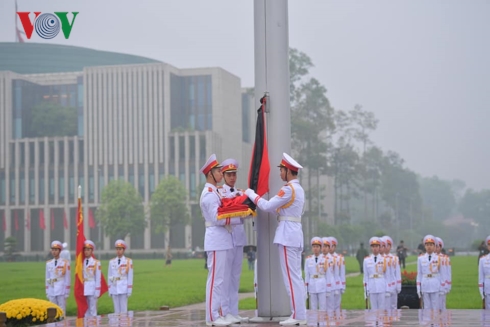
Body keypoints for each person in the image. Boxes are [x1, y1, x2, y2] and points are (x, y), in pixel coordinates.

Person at [245, 153, 307, 326]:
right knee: (296, 277)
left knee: (291, 277)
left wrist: (251, 193)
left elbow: (266, 206)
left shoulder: (288, 189)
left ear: (288, 171)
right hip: (294, 233)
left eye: (282, 170)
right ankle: (300, 313)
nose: (280, 173)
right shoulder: (298, 189)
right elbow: (279, 210)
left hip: (288, 235)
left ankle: (298, 315)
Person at [200, 154, 242, 326]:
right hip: (216, 239)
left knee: (222, 279)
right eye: (218, 171)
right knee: (216, 280)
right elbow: (217, 218)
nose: (221, 173)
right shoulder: (209, 194)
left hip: (222, 239)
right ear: (211, 173)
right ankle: (212, 316)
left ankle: (221, 313)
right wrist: (238, 217)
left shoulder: (215, 192)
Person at [217, 158, 249, 323]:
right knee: (225, 276)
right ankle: (224, 311)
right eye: (229, 174)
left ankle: (234, 312)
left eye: (234, 174)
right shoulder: (220, 193)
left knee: (235, 276)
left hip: (238, 238)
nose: (232, 177)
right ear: (223, 175)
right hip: (226, 237)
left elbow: (245, 213)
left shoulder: (241, 193)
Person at [416, 235, 442, 310]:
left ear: (434, 246)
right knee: (426, 306)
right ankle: (428, 321)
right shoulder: (421, 258)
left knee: (435, 306)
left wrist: (442, 287)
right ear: (425, 246)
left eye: (431, 245)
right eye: (427, 245)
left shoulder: (438, 258)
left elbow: (441, 273)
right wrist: (418, 288)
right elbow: (419, 274)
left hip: (435, 283)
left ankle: (435, 322)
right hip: (425, 283)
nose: (429, 247)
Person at [45, 240, 71, 316]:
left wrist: (67, 291)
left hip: (61, 289)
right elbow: (47, 278)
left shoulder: (65, 263)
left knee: (61, 310)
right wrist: (47, 290)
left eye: (56, 250)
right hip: (51, 288)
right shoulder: (48, 263)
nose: (54, 252)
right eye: (53, 250)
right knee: (52, 310)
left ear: (60, 251)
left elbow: (67, 278)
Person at [108, 239, 133, 313]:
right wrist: (110, 289)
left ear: (123, 250)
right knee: (116, 310)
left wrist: (129, 290)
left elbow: (130, 276)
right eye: (117, 249)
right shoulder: (112, 262)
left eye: (120, 249)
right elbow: (110, 275)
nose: (118, 251)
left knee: (123, 310)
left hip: (123, 287)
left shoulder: (128, 261)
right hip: (114, 287)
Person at [363, 237, 387, 310]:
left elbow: (386, 275)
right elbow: (366, 276)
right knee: (373, 309)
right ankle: (374, 322)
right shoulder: (366, 260)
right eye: (373, 246)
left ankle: (380, 322)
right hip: (371, 286)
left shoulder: (384, 259)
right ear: (371, 248)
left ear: (379, 247)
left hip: (381, 285)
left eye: (376, 246)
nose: (375, 248)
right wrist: (366, 289)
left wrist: (387, 288)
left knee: (381, 308)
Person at [305, 237, 327, 313]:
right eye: (314, 247)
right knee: (313, 307)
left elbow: (328, 274)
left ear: (320, 248)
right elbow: (307, 274)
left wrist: (329, 287)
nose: (315, 249)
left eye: (317, 247)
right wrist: (306, 288)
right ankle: (313, 323)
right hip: (312, 284)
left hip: (322, 284)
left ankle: (322, 324)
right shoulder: (308, 260)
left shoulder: (325, 259)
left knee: (322, 306)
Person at [82, 240, 102, 317]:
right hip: (84, 287)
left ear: (92, 251)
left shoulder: (96, 262)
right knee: (86, 310)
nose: (86, 251)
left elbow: (98, 278)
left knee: (92, 309)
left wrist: (97, 291)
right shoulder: (81, 262)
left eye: (88, 250)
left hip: (92, 287)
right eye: (85, 249)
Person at [382, 235, 401, 310]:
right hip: (383, 285)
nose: (386, 247)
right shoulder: (379, 258)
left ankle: (393, 320)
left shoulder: (395, 258)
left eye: (388, 245)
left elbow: (397, 272)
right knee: (385, 306)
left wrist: (398, 285)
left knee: (393, 305)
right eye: (384, 245)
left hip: (393, 284)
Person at [328, 236, 345, 311]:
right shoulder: (324, 257)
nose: (331, 248)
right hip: (328, 284)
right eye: (329, 246)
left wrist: (343, 286)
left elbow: (342, 273)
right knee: (328, 305)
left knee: (337, 305)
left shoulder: (339, 257)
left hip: (337, 284)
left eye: (333, 246)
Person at [435, 236, 450, 310]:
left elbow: (448, 273)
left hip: (442, 284)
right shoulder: (428, 258)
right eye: (435, 246)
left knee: (442, 305)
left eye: (438, 246)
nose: (437, 248)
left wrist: (448, 285)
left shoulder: (445, 258)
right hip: (432, 285)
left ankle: (442, 321)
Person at [478, 235, 490, 309]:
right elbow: (481, 277)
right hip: (487, 286)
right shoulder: (483, 260)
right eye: (489, 245)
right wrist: (481, 292)